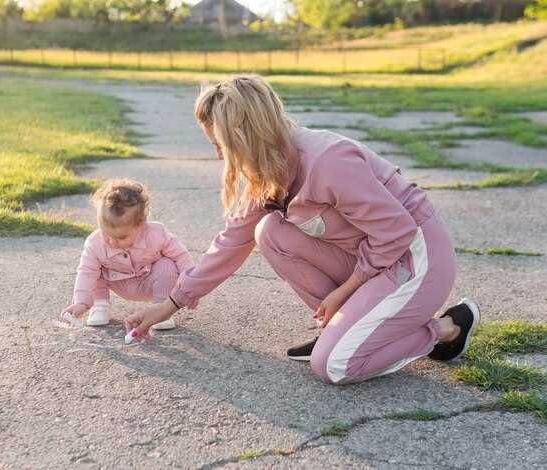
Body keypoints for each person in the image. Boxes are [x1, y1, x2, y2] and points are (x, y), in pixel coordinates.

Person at [124, 74, 480, 384]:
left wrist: (343, 293)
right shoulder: (267, 171)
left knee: (335, 366)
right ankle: (346, 330)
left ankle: (445, 329)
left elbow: (397, 232)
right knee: (270, 232)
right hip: (375, 260)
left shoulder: (327, 161)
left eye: (221, 145)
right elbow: (231, 244)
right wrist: (169, 304)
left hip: (416, 260)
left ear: (243, 135)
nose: (220, 156)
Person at [59, 179, 194, 338]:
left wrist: (190, 282)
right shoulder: (95, 243)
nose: (111, 241)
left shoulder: (156, 233)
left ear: (141, 224)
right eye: (106, 233)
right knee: (95, 270)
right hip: (116, 281)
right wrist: (81, 302)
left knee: (167, 264)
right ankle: (100, 305)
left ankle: (161, 309)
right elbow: (86, 272)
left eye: (121, 237)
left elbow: (181, 255)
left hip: (148, 280)